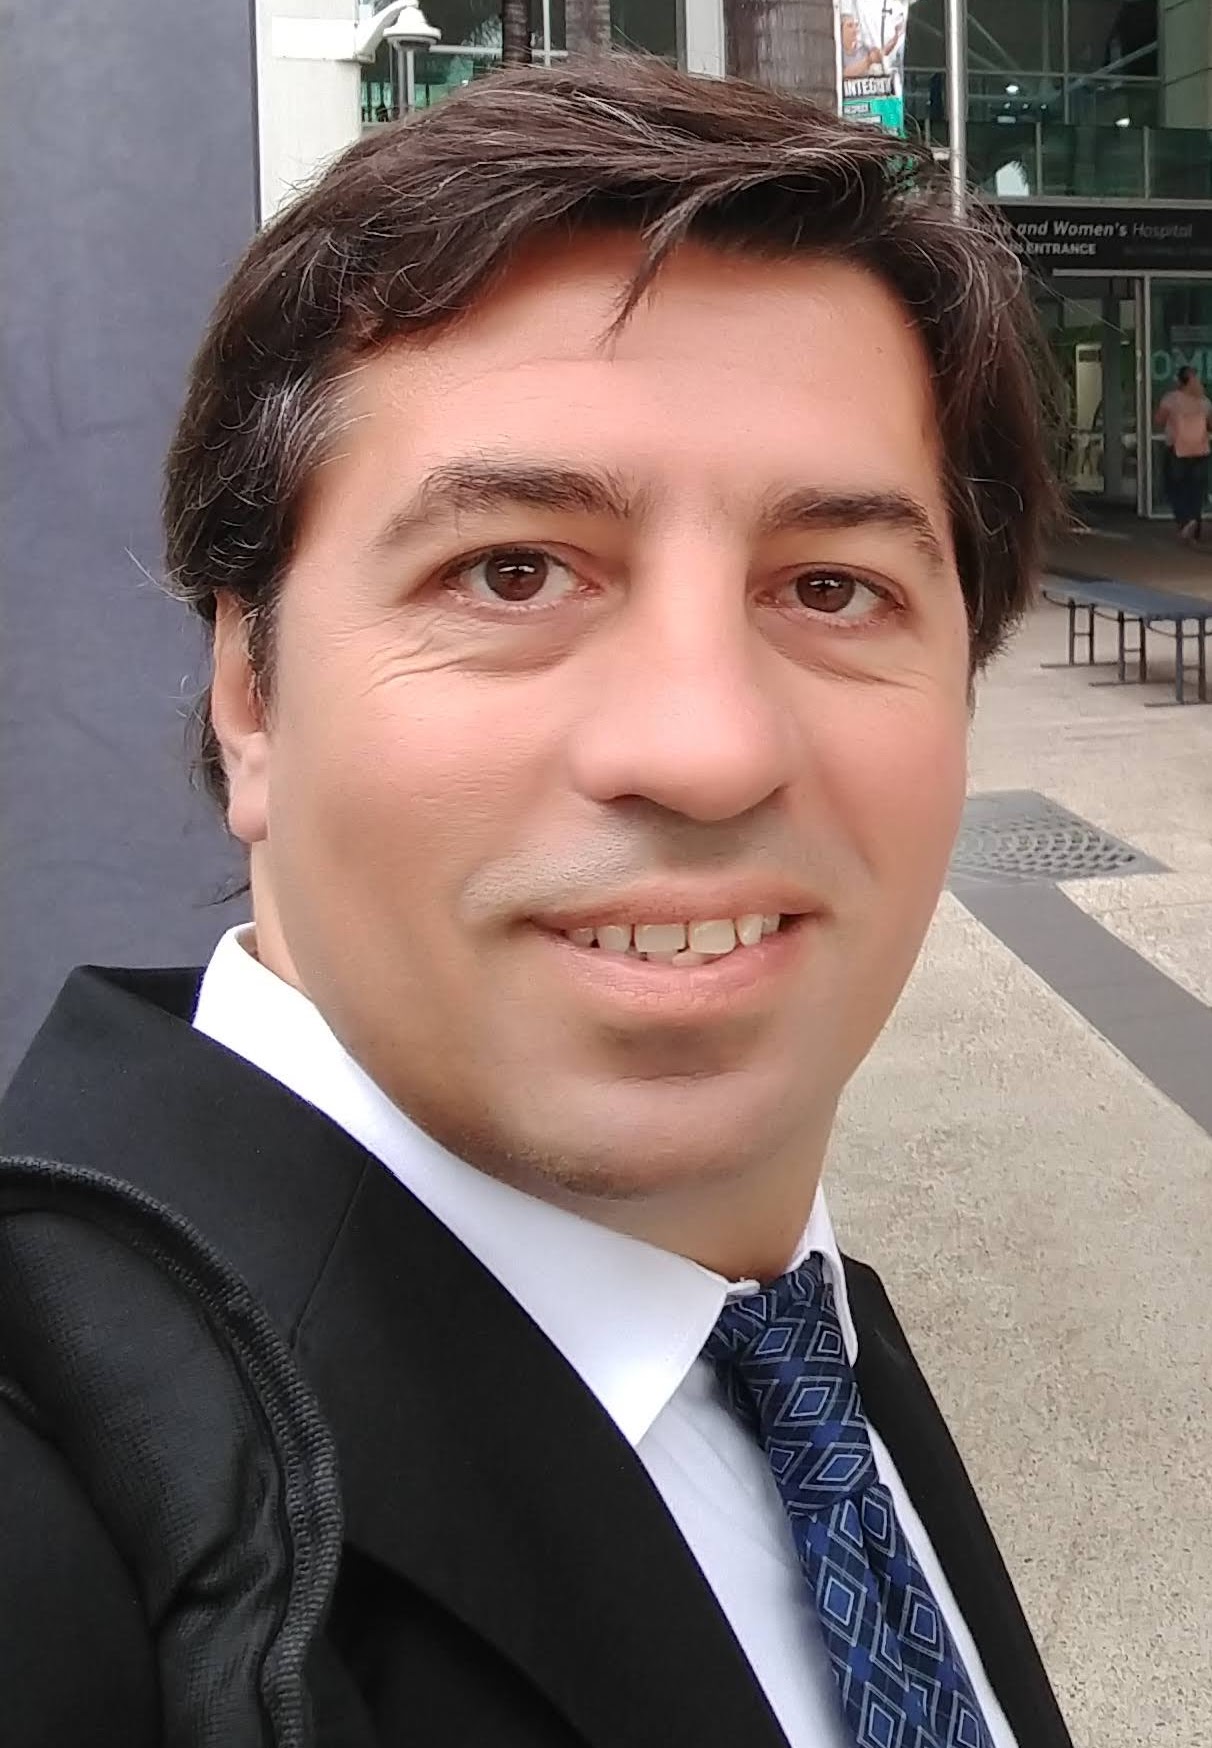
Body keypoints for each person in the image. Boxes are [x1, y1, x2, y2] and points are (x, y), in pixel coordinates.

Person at [0, 60, 1073, 1748]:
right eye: (512, 570)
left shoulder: (776, 1340)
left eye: (829, 586)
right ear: (251, 692)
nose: (706, 748)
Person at [1155, 365, 1212, 540]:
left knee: (1174, 487)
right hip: (1200, 450)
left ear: (1180, 381)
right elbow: (1210, 425)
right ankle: (1195, 526)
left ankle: (1185, 520)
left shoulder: (1171, 399)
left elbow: (1159, 420)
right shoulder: (1205, 402)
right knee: (1196, 490)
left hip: (1177, 450)